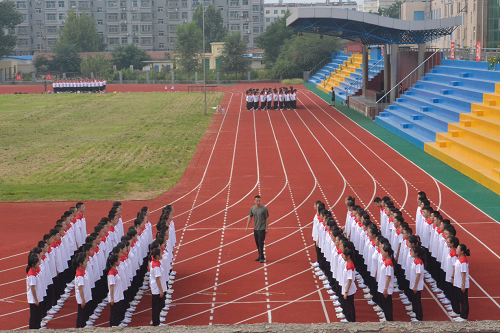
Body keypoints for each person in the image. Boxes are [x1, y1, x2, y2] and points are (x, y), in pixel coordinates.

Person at [245, 195, 269, 263]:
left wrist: (266, 228)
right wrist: (247, 226)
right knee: (257, 243)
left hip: (262, 229)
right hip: (256, 229)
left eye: (260, 201)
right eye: (257, 201)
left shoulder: (264, 209)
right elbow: (250, 217)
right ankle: (260, 256)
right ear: (254, 201)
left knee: (261, 243)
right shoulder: (252, 208)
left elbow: (267, 218)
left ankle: (262, 257)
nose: (258, 202)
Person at [452, 244, 470, 322]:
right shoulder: (459, 259)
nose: (456, 250)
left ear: (462, 251)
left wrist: (463, 285)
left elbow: (463, 273)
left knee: (463, 301)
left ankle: (464, 317)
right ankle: (461, 314)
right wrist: (452, 278)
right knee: (459, 299)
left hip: (461, 284)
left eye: (458, 249)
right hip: (457, 283)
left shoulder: (463, 261)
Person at [409, 245, 424, 322]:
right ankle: (415, 312)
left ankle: (419, 317)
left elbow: (418, 275)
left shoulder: (419, 263)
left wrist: (415, 286)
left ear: (416, 253)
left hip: (417, 285)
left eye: (412, 251)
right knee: (414, 300)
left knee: (417, 301)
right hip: (413, 284)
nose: (410, 252)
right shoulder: (415, 261)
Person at [27, 255, 42, 329]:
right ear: (33, 264)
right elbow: (32, 287)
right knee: (34, 315)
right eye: (37, 262)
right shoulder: (32, 274)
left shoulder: (34, 271)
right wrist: (36, 299)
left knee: (37, 314)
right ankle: (33, 328)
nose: (39, 264)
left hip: (36, 297)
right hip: (33, 299)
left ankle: (37, 327)